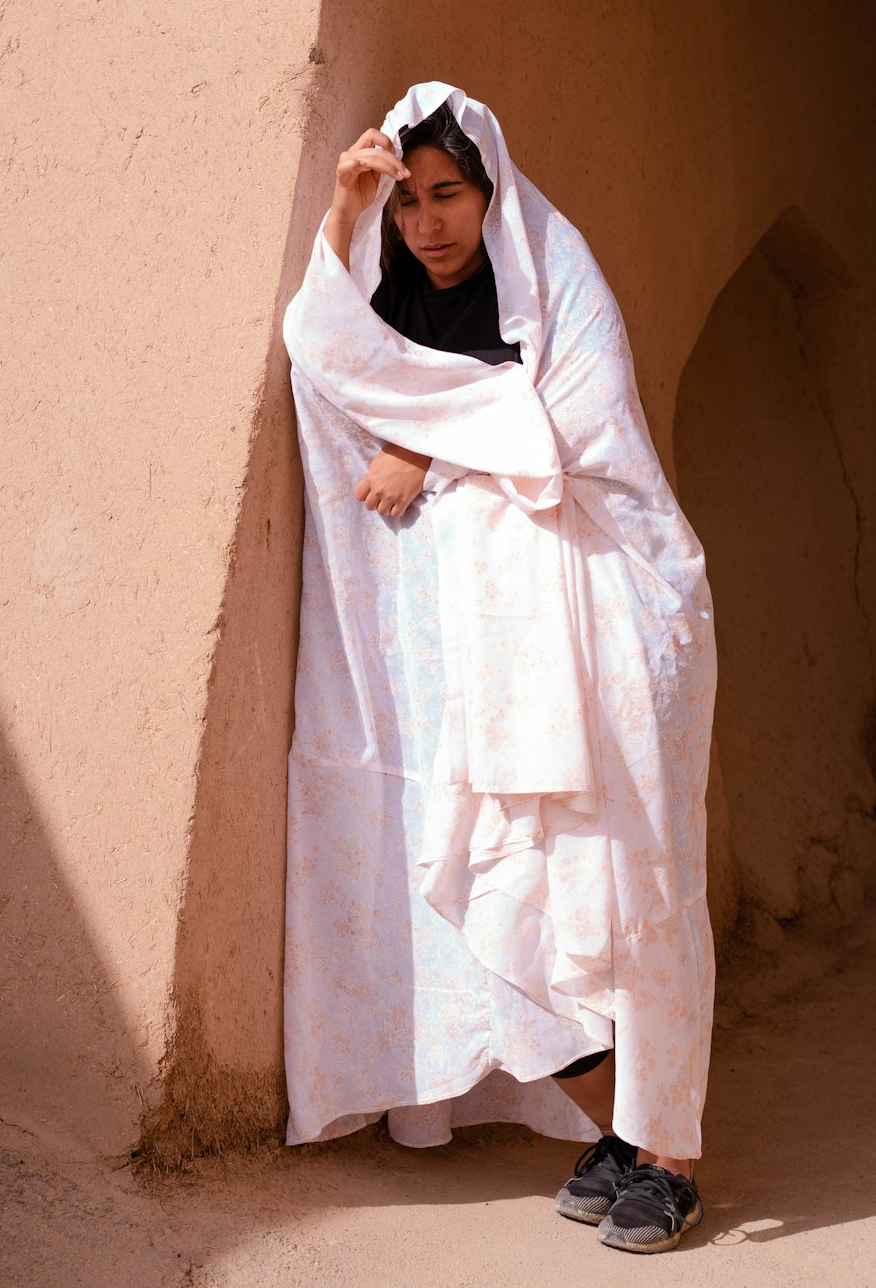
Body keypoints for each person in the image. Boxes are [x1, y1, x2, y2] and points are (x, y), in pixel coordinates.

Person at [282, 83, 716, 1254]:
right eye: (409, 200)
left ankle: (671, 1153)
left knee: (630, 882)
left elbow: (569, 428)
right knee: (513, 891)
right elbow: (323, 354)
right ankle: (621, 1133)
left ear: (491, 193)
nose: (427, 222)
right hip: (501, 661)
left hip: (614, 629)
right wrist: (342, 205)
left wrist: (423, 441)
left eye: (448, 195)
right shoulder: (398, 298)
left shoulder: (558, 283)